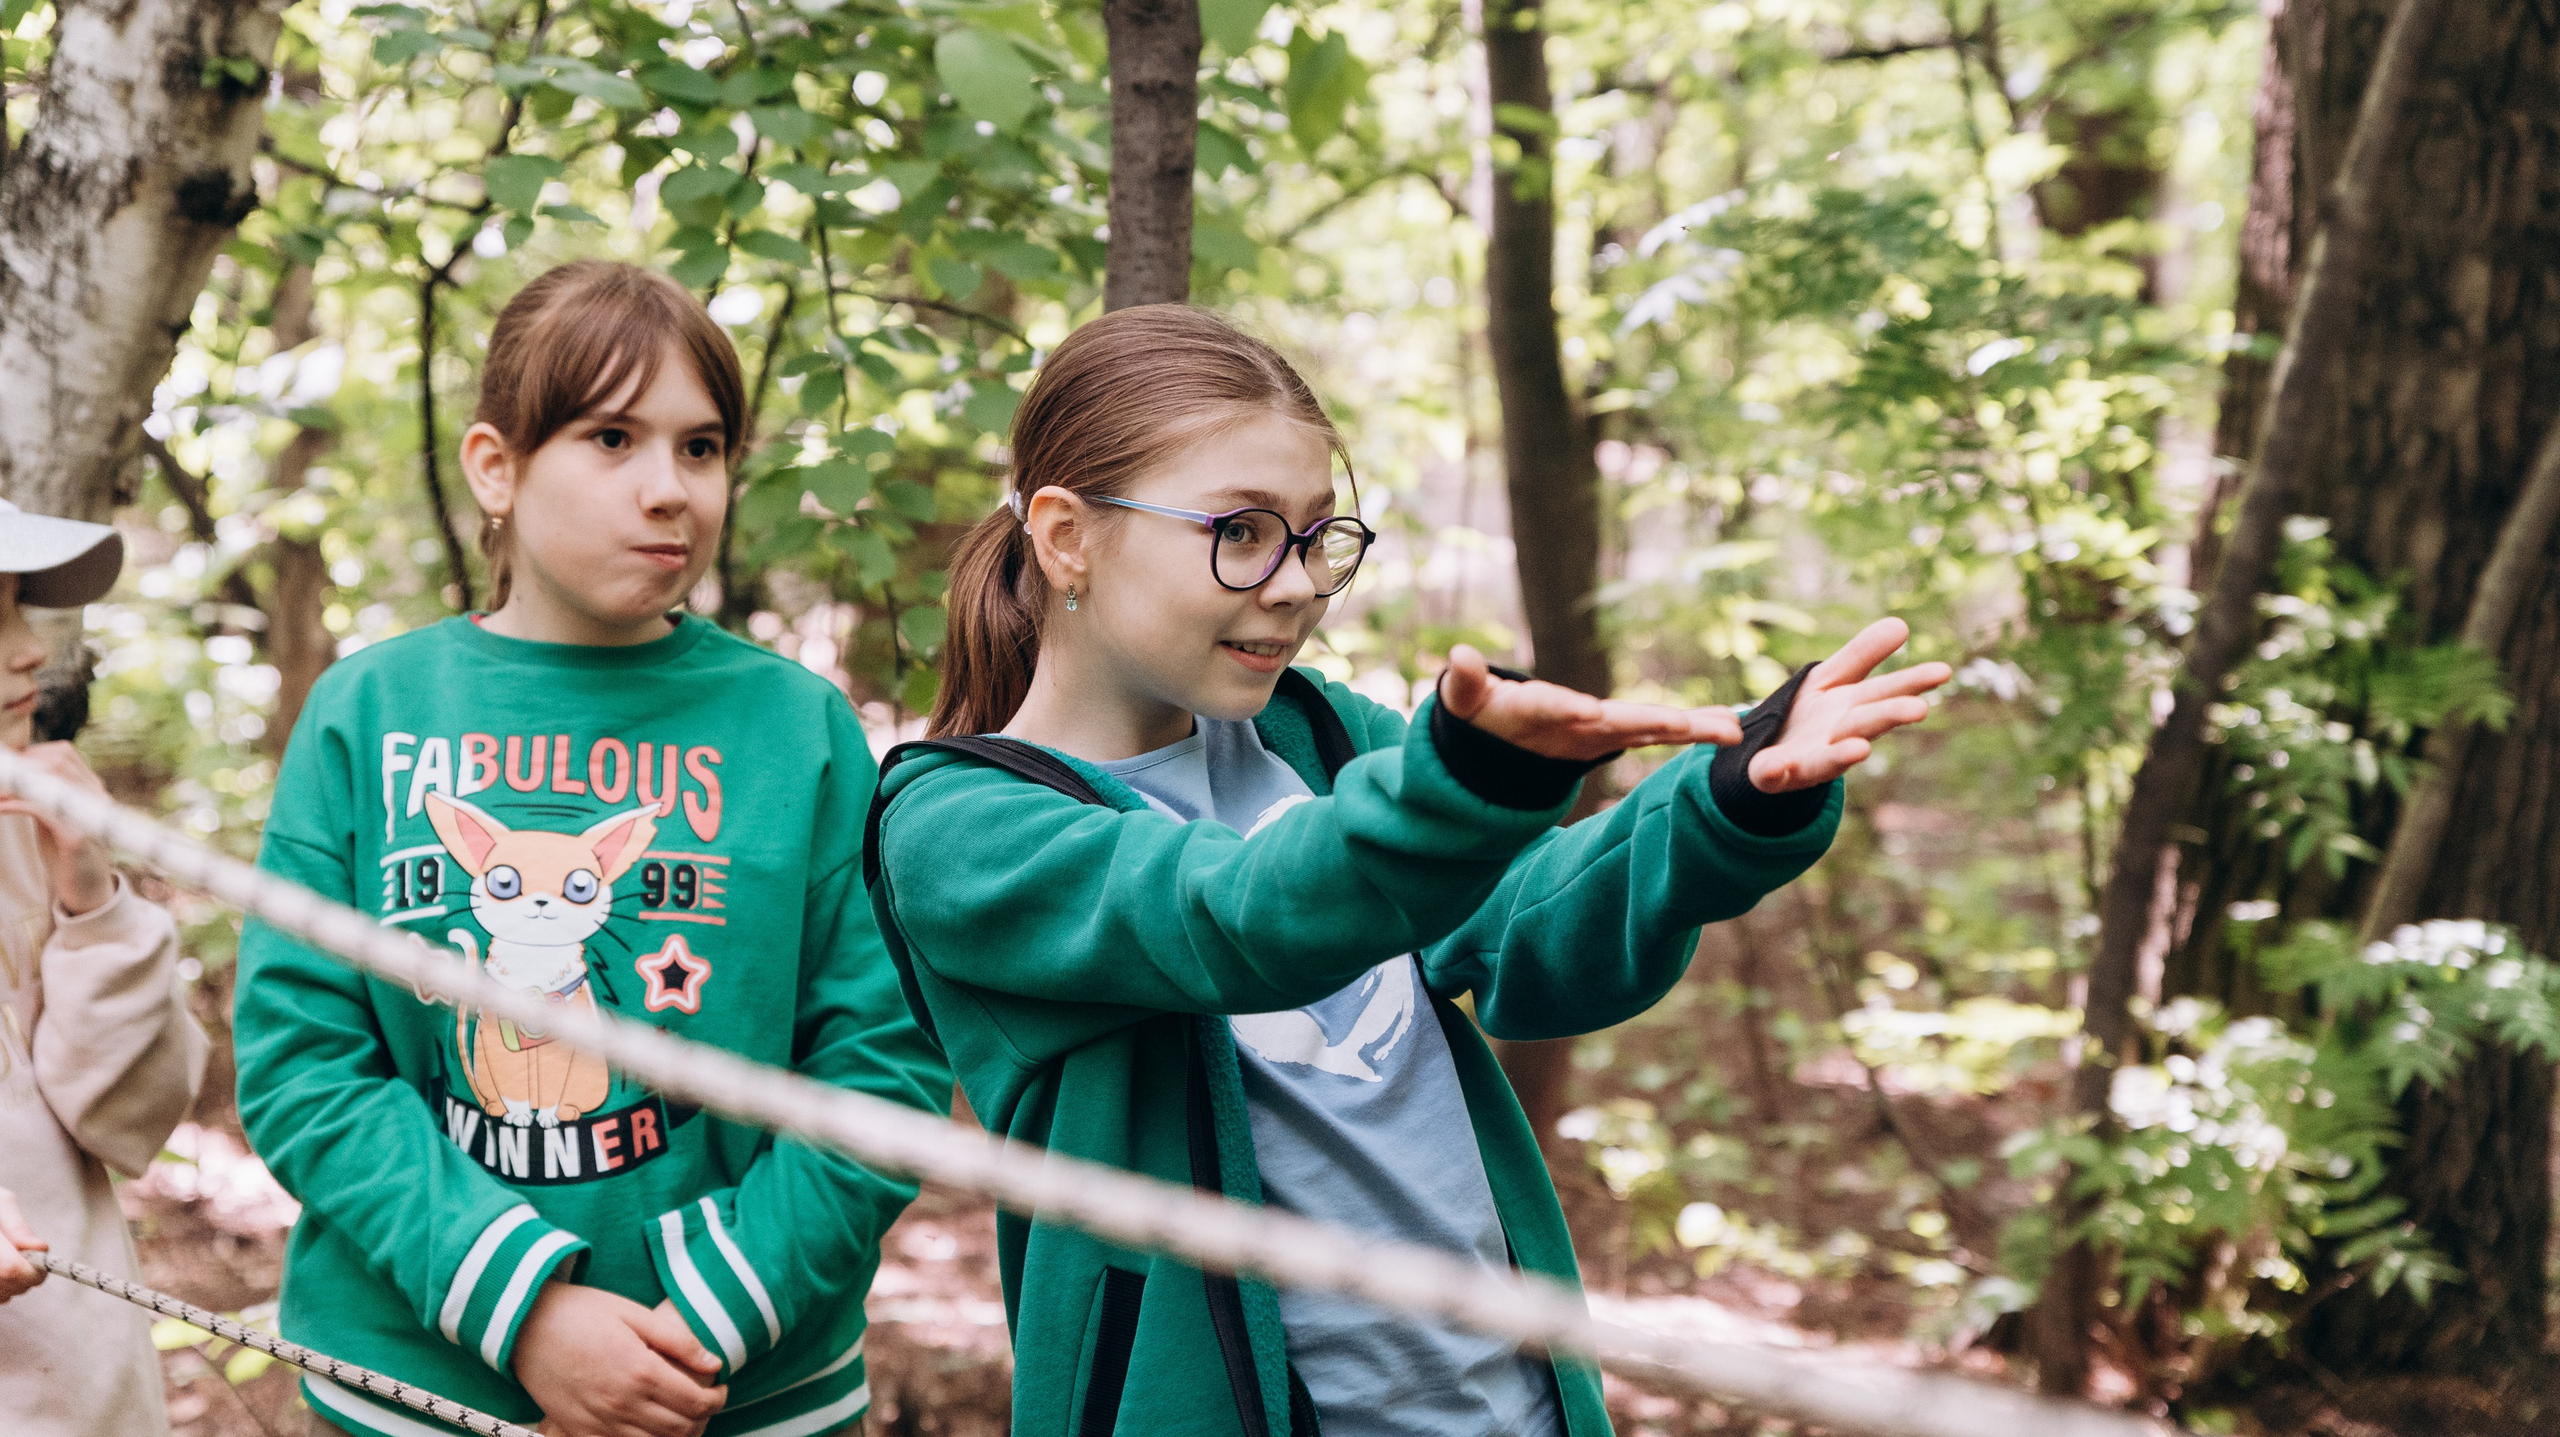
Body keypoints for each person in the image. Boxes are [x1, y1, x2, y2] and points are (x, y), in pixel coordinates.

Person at [864, 305, 1951, 1437]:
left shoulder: (1320, 737)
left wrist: (1721, 799)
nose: (1295, 584)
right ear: (1065, 534)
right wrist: (1463, 779)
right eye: (1239, 530)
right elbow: (1227, 917)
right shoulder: (958, 823)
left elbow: (1531, 926)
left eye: (1316, 533)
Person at [234, 261, 951, 1437]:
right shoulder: (369, 712)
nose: (670, 489)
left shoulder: (801, 729)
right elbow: (302, 1059)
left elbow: (885, 1066)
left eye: (702, 445)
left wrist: (702, 1322)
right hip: (418, 1389)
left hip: (738, 1386)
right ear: (496, 467)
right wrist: (529, 1311)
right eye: (612, 437)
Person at [0, 499, 212, 1437]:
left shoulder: (25, 822)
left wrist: (91, 898)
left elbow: (129, 1112)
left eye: (19, 608)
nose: (28, 650)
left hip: (83, 1397)